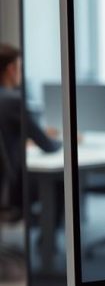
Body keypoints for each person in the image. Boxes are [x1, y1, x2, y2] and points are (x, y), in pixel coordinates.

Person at [0, 44, 61, 220]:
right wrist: (66, 139)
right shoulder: (13, 100)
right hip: (16, 185)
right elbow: (48, 146)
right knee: (61, 178)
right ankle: (47, 241)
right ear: (11, 69)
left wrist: (29, 140)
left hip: (6, 181)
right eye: (20, 67)